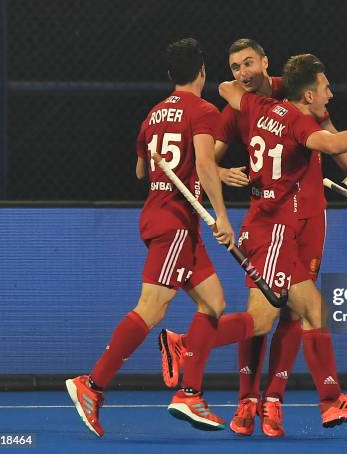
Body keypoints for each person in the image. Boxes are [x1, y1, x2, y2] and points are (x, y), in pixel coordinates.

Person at [164, 52, 347, 432]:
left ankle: (321, 402)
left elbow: (235, 90)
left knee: (308, 311)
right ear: (309, 95)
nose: (331, 93)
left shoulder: (257, 104)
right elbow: (331, 144)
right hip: (276, 228)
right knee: (263, 319)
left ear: (267, 65)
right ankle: (188, 344)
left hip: (282, 225)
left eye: (249, 64)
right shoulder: (296, 119)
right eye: (325, 88)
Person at [65, 37, 235, 437]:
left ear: (171, 74)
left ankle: (189, 391)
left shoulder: (154, 114)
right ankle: (92, 385)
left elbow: (142, 172)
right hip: (175, 221)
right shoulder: (204, 110)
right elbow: (207, 166)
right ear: (203, 72)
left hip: (166, 217)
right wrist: (223, 216)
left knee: (213, 303)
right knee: (152, 306)